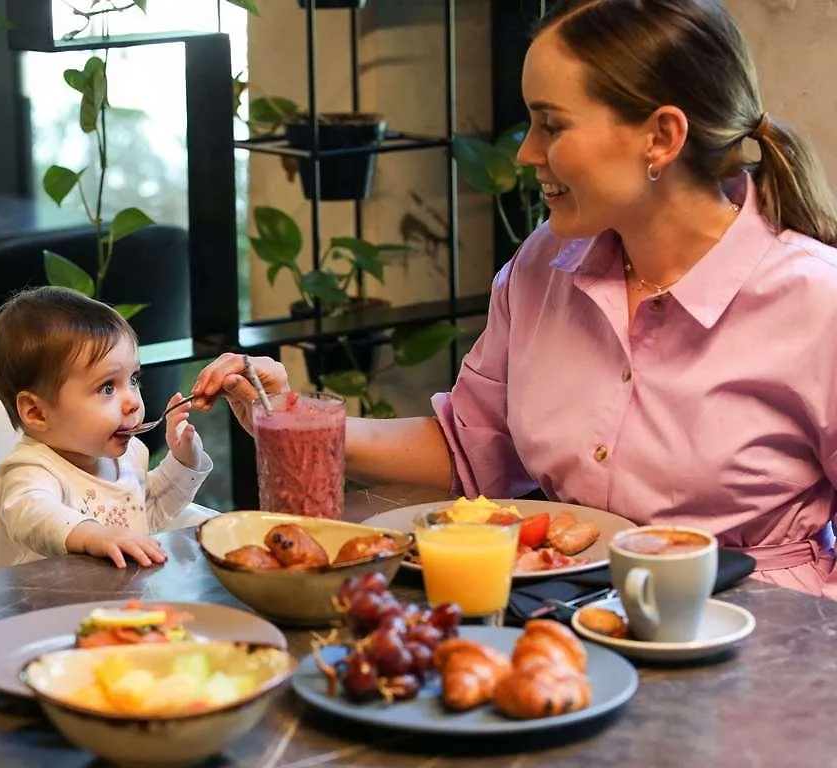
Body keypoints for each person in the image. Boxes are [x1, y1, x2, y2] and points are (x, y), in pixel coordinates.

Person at [194, 0, 837, 599]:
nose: (527, 152)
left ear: (661, 137)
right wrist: (291, 416)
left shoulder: (816, 300)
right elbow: (474, 447)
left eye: (551, 124)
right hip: (569, 616)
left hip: (768, 642)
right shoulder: (542, 267)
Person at [0, 286, 212, 570]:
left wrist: (182, 461)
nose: (132, 401)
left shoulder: (129, 457)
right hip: (34, 610)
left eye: (133, 379)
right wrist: (93, 534)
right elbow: (33, 516)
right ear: (36, 412)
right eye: (107, 387)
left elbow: (149, 519)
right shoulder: (30, 471)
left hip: (115, 606)